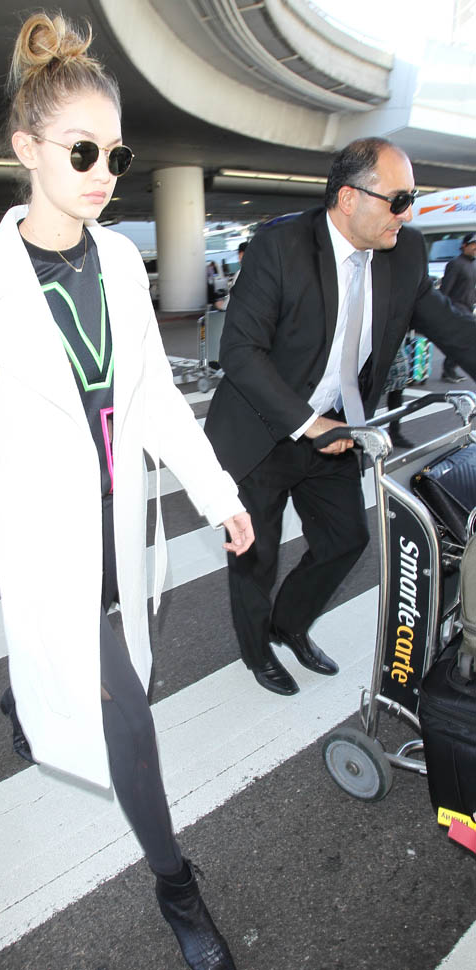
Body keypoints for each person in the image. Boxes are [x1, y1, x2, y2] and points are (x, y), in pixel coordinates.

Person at [0, 13, 253, 970]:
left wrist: (217, 493)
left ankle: (25, 701)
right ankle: (175, 883)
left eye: (116, 153)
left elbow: (153, 399)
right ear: (28, 149)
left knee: (96, 666)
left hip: (119, 521)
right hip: (43, 534)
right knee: (125, 711)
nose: (105, 171)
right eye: (82, 150)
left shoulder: (118, 262)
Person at [205, 136, 476, 697]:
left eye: (411, 199)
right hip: (261, 429)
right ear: (349, 198)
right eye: (399, 200)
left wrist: (325, 426)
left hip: (336, 429)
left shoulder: (404, 252)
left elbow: (453, 328)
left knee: (345, 539)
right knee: (255, 557)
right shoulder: (281, 246)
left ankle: (288, 625)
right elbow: (240, 352)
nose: (408, 213)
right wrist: (308, 424)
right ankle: (256, 652)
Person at [439, 231, 476, 382]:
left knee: (462, 341)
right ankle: (448, 370)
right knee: (465, 339)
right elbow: (445, 289)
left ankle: (449, 370)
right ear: (464, 245)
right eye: (473, 244)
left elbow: (470, 288)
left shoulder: (472, 264)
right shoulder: (455, 263)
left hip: (468, 308)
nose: (475, 247)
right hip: (456, 308)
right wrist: (443, 310)